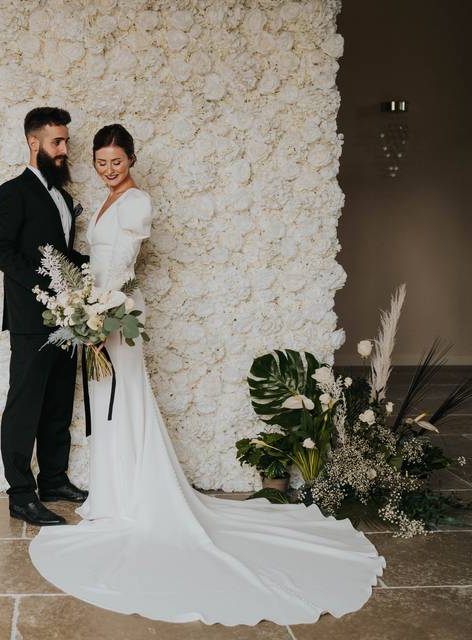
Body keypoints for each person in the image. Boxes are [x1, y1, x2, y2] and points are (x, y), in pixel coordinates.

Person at [27, 124, 387, 626]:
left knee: (125, 396)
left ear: (132, 159)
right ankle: (114, 492)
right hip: (96, 312)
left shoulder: (138, 203)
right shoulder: (107, 201)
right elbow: (96, 261)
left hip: (117, 314)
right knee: (104, 400)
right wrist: (82, 307)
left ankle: (135, 498)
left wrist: (96, 312)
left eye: (118, 161)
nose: (109, 170)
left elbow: (122, 266)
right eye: (102, 162)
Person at [0, 107, 90, 527]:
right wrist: (46, 285)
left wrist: (98, 266)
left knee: (58, 402)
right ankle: (21, 495)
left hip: (67, 319)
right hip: (32, 318)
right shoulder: (12, 191)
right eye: (57, 142)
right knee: (24, 405)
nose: (64, 150)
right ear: (34, 143)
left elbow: (62, 255)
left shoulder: (63, 197)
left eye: (65, 141)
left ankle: (54, 480)